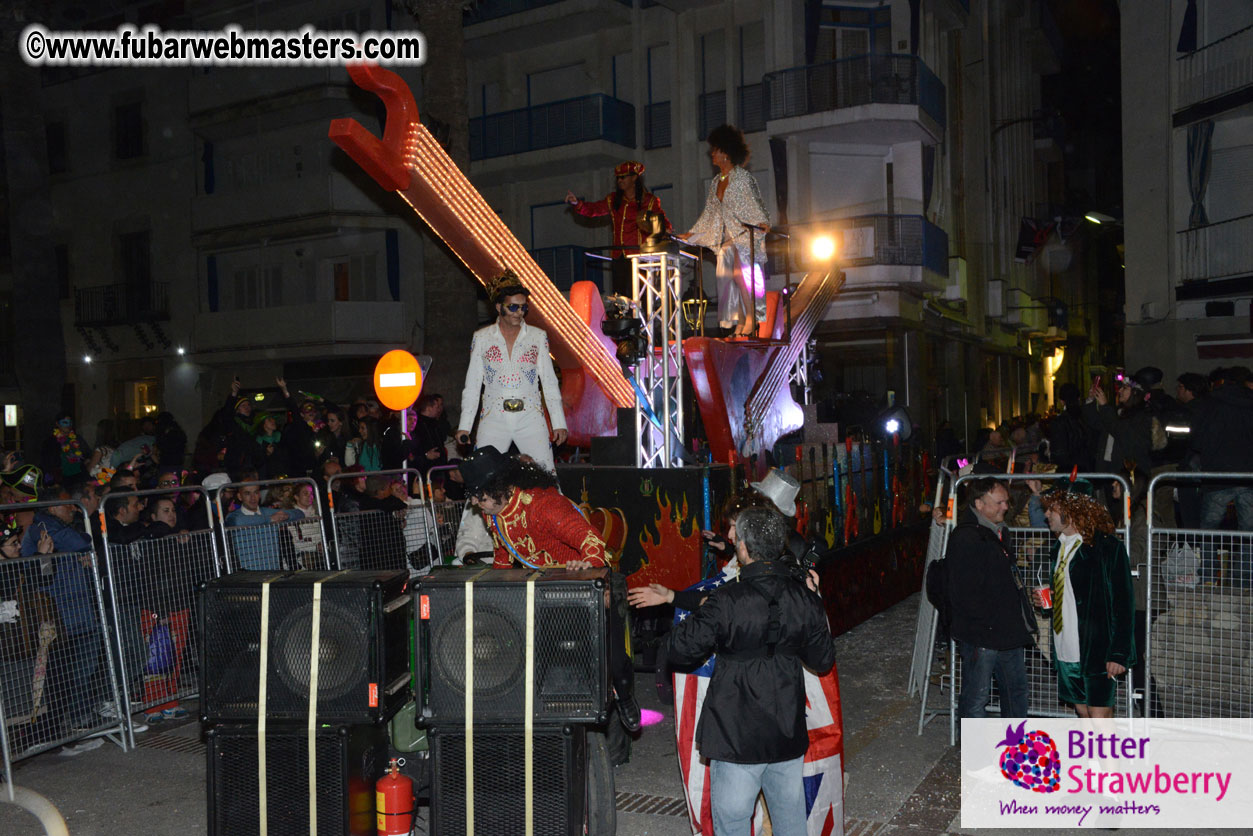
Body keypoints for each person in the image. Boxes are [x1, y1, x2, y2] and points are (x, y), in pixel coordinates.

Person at [665, 505, 835, 836]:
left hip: (735, 736)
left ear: (743, 548)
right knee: (790, 825)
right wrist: (814, 600)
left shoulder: (726, 599)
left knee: (733, 826)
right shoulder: (802, 598)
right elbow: (822, 661)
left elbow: (679, 650)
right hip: (785, 731)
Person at [457, 447, 639, 731]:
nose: (476, 503)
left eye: (479, 495)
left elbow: (590, 540)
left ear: (498, 487)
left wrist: (589, 571)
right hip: (546, 589)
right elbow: (503, 558)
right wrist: (493, 596)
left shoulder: (542, 505)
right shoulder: (494, 513)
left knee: (612, 658)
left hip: (588, 581)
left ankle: (625, 694)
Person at [456, 270, 567, 474]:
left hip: (531, 416)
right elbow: (472, 386)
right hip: (493, 416)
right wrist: (464, 426)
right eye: (513, 307)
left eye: (523, 307)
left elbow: (550, 383)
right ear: (499, 307)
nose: (519, 312)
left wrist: (559, 423)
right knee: (483, 477)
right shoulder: (481, 338)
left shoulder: (537, 336)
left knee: (546, 475)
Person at [943, 477, 1036, 719]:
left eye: (1006, 501)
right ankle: (976, 753)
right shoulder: (966, 538)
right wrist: (985, 624)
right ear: (979, 504)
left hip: (1006, 631)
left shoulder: (999, 532)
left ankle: (1015, 748)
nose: (1005, 507)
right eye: (999, 502)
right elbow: (964, 591)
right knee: (977, 697)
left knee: (1016, 692)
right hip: (982, 634)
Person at [1041, 485, 1136, 718]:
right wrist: (1051, 599)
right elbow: (1075, 594)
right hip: (1066, 646)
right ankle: (1089, 755)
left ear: (1071, 509)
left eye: (1052, 509)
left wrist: (1118, 653)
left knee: (1099, 715)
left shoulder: (1106, 547)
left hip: (1097, 649)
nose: (1046, 515)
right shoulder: (1059, 546)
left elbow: (1123, 603)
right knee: (1083, 712)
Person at [678, 124, 770, 337]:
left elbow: (755, 203)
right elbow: (710, 213)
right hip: (728, 236)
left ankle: (751, 318)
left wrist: (763, 222)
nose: (713, 153)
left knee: (739, 273)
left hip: (744, 234)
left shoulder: (743, 178)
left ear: (726, 153)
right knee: (728, 277)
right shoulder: (715, 182)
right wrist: (692, 234)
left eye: (716, 149)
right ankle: (740, 321)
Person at [565, 160, 671, 295]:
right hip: (619, 256)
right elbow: (594, 209)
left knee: (640, 296)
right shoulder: (613, 200)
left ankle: (641, 315)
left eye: (623, 177)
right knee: (619, 296)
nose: (620, 180)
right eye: (618, 178)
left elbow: (661, 219)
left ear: (634, 177)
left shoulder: (649, 200)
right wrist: (577, 203)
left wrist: (666, 230)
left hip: (640, 257)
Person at [223, 484, 302, 571]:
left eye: (256, 492)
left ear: (259, 495)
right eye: (247, 493)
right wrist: (270, 519)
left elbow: (300, 513)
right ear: (239, 496)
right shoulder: (234, 516)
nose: (253, 497)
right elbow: (238, 521)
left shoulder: (267, 512)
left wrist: (286, 516)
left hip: (273, 572)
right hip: (247, 575)